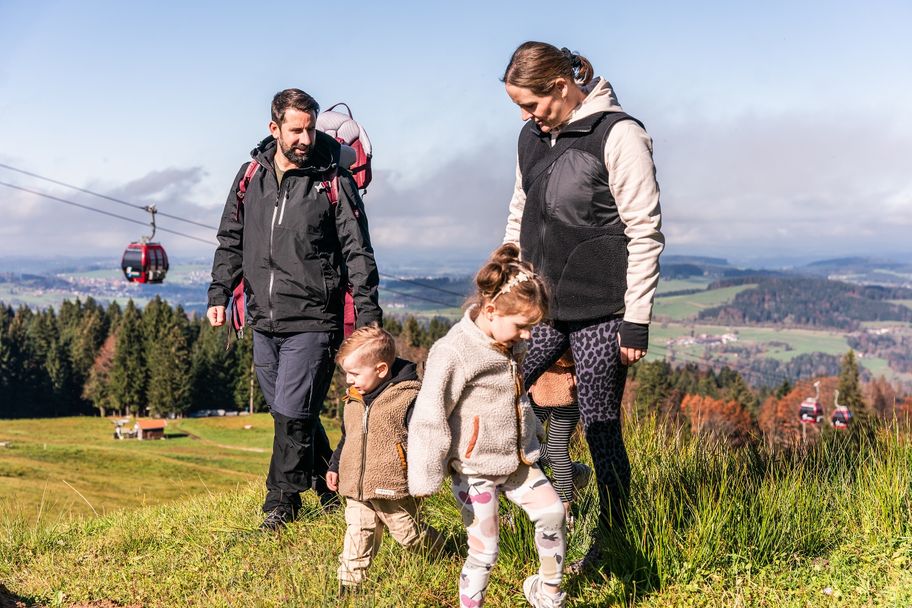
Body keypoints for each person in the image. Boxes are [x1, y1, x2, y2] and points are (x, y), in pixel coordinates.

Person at [501, 42, 665, 566]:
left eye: (532, 105)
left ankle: (614, 536)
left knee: (600, 425)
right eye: (520, 110)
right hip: (539, 307)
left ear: (560, 86)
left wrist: (636, 321)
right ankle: (539, 499)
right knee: (499, 389)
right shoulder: (530, 137)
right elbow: (519, 210)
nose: (528, 117)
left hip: (603, 311)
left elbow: (645, 231)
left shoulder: (619, 134)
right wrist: (505, 283)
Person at [207, 88, 382, 531]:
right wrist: (218, 293)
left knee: (291, 411)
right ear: (275, 129)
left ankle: (280, 503)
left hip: (314, 318)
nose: (305, 139)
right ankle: (329, 484)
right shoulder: (250, 176)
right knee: (289, 411)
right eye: (296, 130)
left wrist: (368, 321)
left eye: (310, 128)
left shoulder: (333, 182)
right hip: (263, 318)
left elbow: (358, 253)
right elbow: (231, 239)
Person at [408, 244, 568, 608]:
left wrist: (536, 441)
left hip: (518, 462)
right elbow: (430, 413)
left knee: (553, 513)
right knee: (485, 551)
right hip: (474, 471)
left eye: (533, 327)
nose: (528, 336)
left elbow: (517, 404)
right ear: (491, 310)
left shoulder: (510, 345)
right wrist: (425, 475)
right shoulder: (454, 352)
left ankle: (548, 594)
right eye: (523, 326)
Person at [325, 324, 443, 591]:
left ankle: (444, 549)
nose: (349, 381)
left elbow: (424, 441)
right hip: (356, 484)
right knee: (358, 531)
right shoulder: (354, 399)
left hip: (392, 484)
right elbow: (349, 436)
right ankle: (349, 583)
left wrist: (424, 476)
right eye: (347, 374)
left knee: (408, 535)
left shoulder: (407, 398)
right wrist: (335, 465)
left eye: (354, 374)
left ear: (381, 369)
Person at [527, 350, 591, 526]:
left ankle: (563, 510)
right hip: (540, 385)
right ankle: (576, 474)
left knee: (555, 447)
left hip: (570, 387)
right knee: (525, 443)